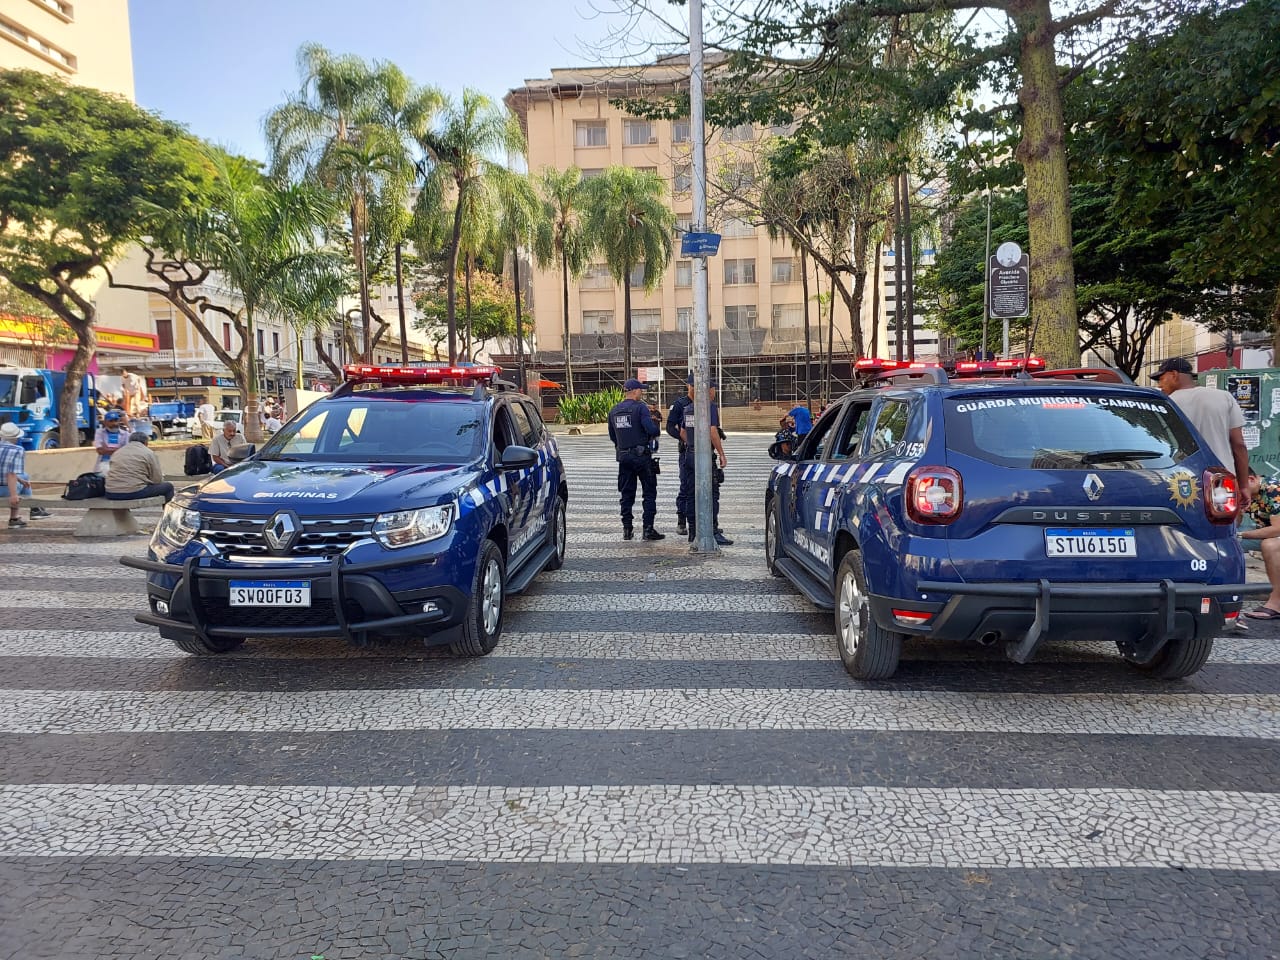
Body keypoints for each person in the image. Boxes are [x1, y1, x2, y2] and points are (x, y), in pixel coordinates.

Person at [1153, 357, 1249, 494]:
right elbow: (1239, 445)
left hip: (1181, 480)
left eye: (1161, 379)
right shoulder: (1224, 397)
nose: (1159, 384)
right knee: (1225, 508)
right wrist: (1244, 486)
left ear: (1174, 375)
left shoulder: (1165, 404)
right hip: (1221, 479)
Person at [607, 378, 664, 541]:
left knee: (626, 494)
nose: (642, 392)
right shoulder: (640, 408)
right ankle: (648, 529)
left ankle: (627, 529)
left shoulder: (614, 410)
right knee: (649, 493)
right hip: (641, 457)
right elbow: (652, 430)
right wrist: (655, 424)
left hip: (624, 457)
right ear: (635, 391)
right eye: (641, 390)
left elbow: (612, 435)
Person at [678, 377, 732, 546]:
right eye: (714, 389)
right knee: (711, 493)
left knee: (691, 494)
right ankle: (712, 531)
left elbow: (682, 432)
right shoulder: (709, 406)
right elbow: (712, 431)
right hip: (704, 456)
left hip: (689, 455)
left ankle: (693, 532)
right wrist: (721, 453)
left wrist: (692, 444)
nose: (715, 392)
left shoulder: (688, 408)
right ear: (709, 390)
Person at [1, 421, 51, 528]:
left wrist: (20, 480)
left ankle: (34, 510)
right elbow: (11, 474)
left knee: (23, 476)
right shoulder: (17, 450)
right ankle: (30, 511)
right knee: (23, 478)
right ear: (16, 437)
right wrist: (14, 495)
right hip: (4, 490)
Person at [105, 431, 174, 503]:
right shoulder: (148, 453)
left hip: (111, 492)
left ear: (130, 441)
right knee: (168, 487)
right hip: (133, 492)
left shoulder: (117, 452)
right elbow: (157, 479)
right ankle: (164, 510)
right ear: (146, 442)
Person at [666, 376, 695, 535]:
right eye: (693, 385)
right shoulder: (680, 404)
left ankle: (706, 522)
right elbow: (670, 427)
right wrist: (683, 438)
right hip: (686, 451)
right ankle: (681, 521)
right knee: (685, 485)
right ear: (688, 386)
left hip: (704, 452)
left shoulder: (706, 404)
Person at [93, 409, 130, 474]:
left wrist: (107, 449)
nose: (114, 423)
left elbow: (126, 451)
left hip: (120, 464)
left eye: (116, 421)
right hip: (104, 463)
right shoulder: (100, 432)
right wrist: (119, 450)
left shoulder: (125, 434)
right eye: (111, 421)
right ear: (105, 422)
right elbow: (100, 451)